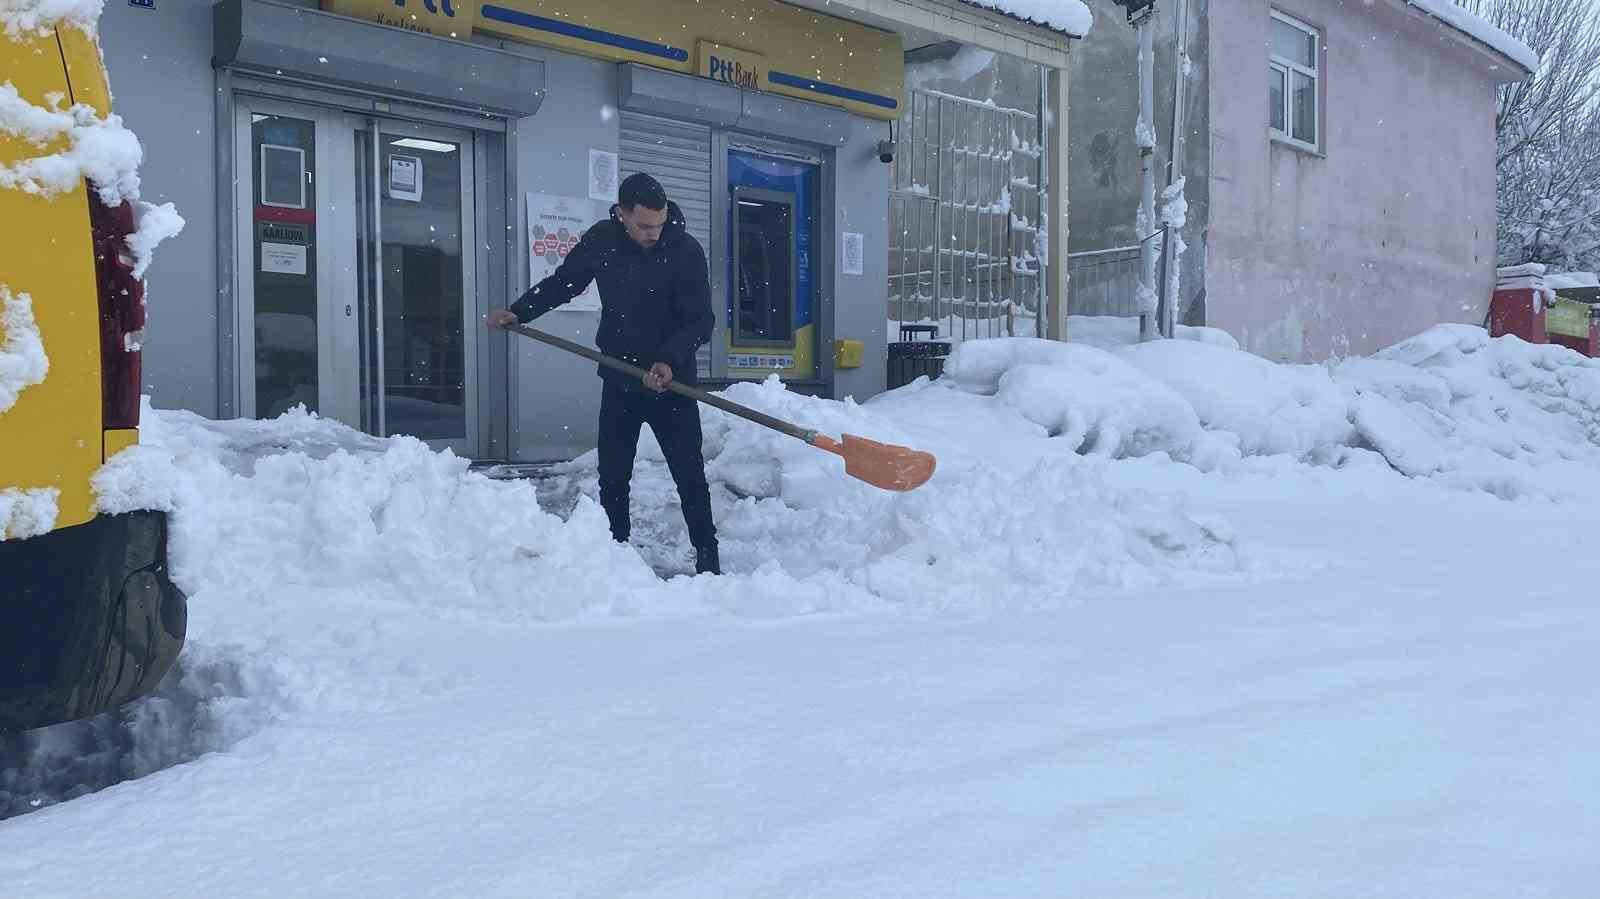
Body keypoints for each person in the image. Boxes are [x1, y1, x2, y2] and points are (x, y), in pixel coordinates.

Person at [487, 173, 720, 575]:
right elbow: (564, 283)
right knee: (613, 475)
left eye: (660, 224)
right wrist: (520, 310)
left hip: (673, 382)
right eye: (645, 225)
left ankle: (708, 558)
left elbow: (701, 320)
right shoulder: (602, 240)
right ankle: (616, 557)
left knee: (689, 476)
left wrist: (666, 360)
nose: (654, 233)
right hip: (620, 377)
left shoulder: (684, 250)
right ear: (622, 214)